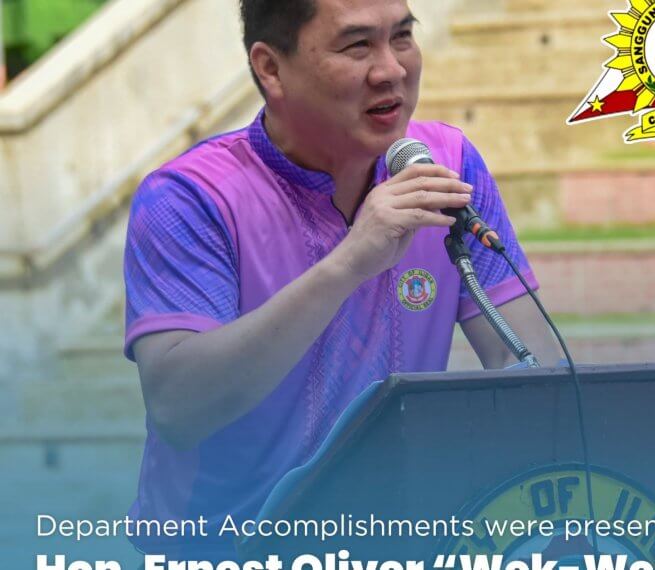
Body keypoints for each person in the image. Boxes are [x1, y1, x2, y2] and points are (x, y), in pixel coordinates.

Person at [123, 0, 559, 560]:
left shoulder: (447, 164)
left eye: (402, 37)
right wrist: (349, 262)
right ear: (270, 69)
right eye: (358, 46)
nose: (392, 69)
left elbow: (527, 361)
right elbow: (180, 407)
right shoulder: (188, 197)